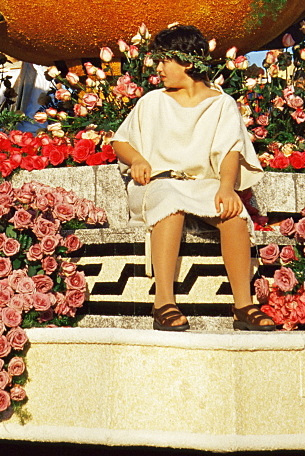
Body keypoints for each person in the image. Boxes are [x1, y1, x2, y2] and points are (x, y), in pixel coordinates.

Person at [112, 24, 274, 332]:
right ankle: (164, 302)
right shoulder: (152, 101)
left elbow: (229, 150)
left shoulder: (221, 103)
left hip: (203, 183)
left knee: (234, 214)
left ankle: (243, 305)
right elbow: (121, 141)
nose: (157, 68)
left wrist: (227, 188)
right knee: (170, 203)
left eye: (164, 60)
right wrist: (137, 158)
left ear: (187, 61)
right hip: (158, 182)